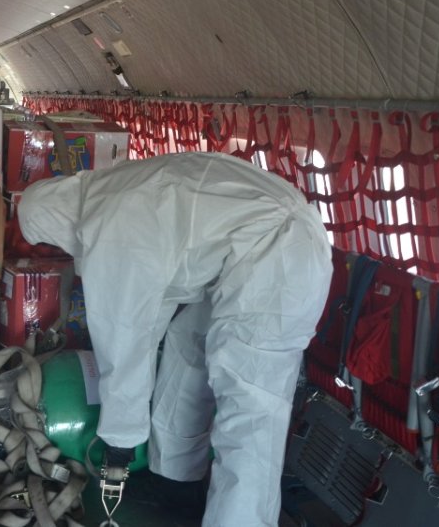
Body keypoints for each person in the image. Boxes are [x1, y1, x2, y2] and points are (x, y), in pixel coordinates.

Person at [17, 151, 330, 527]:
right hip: (248, 251)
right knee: (187, 348)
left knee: (250, 411)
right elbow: (149, 315)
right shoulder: (114, 190)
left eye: (53, 243)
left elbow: (124, 335)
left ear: (55, 221)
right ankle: (176, 481)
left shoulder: (112, 223)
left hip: (278, 257)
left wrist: (118, 443)